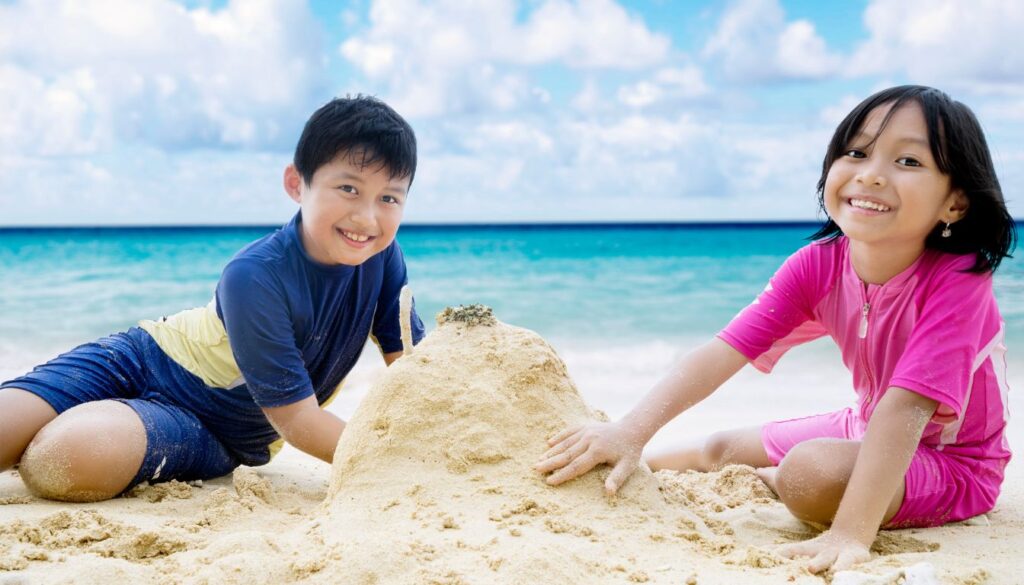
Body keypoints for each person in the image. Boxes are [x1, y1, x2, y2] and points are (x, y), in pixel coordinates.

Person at [536, 85, 1015, 573]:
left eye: (908, 162)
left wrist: (849, 535)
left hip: (956, 465)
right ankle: (635, 466)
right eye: (856, 152)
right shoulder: (818, 265)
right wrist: (629, 432)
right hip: (863, 428)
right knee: (720, 448)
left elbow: (906, 406)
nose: (871, 174)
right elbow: (722, 351)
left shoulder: (960, 280)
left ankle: (780, 479)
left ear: (955, 203)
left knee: (811, 472)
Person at [0, 95, 425, 503]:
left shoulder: (383, 260)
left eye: (388, 198)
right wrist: (388, 463)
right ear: (297, 183)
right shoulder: (255, 275)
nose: (367, 217)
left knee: (64, 460)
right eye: (349, 188)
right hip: (139, 358)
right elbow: (299, 419)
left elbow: (412, 368)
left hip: (216, 430)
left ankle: (96, 429)